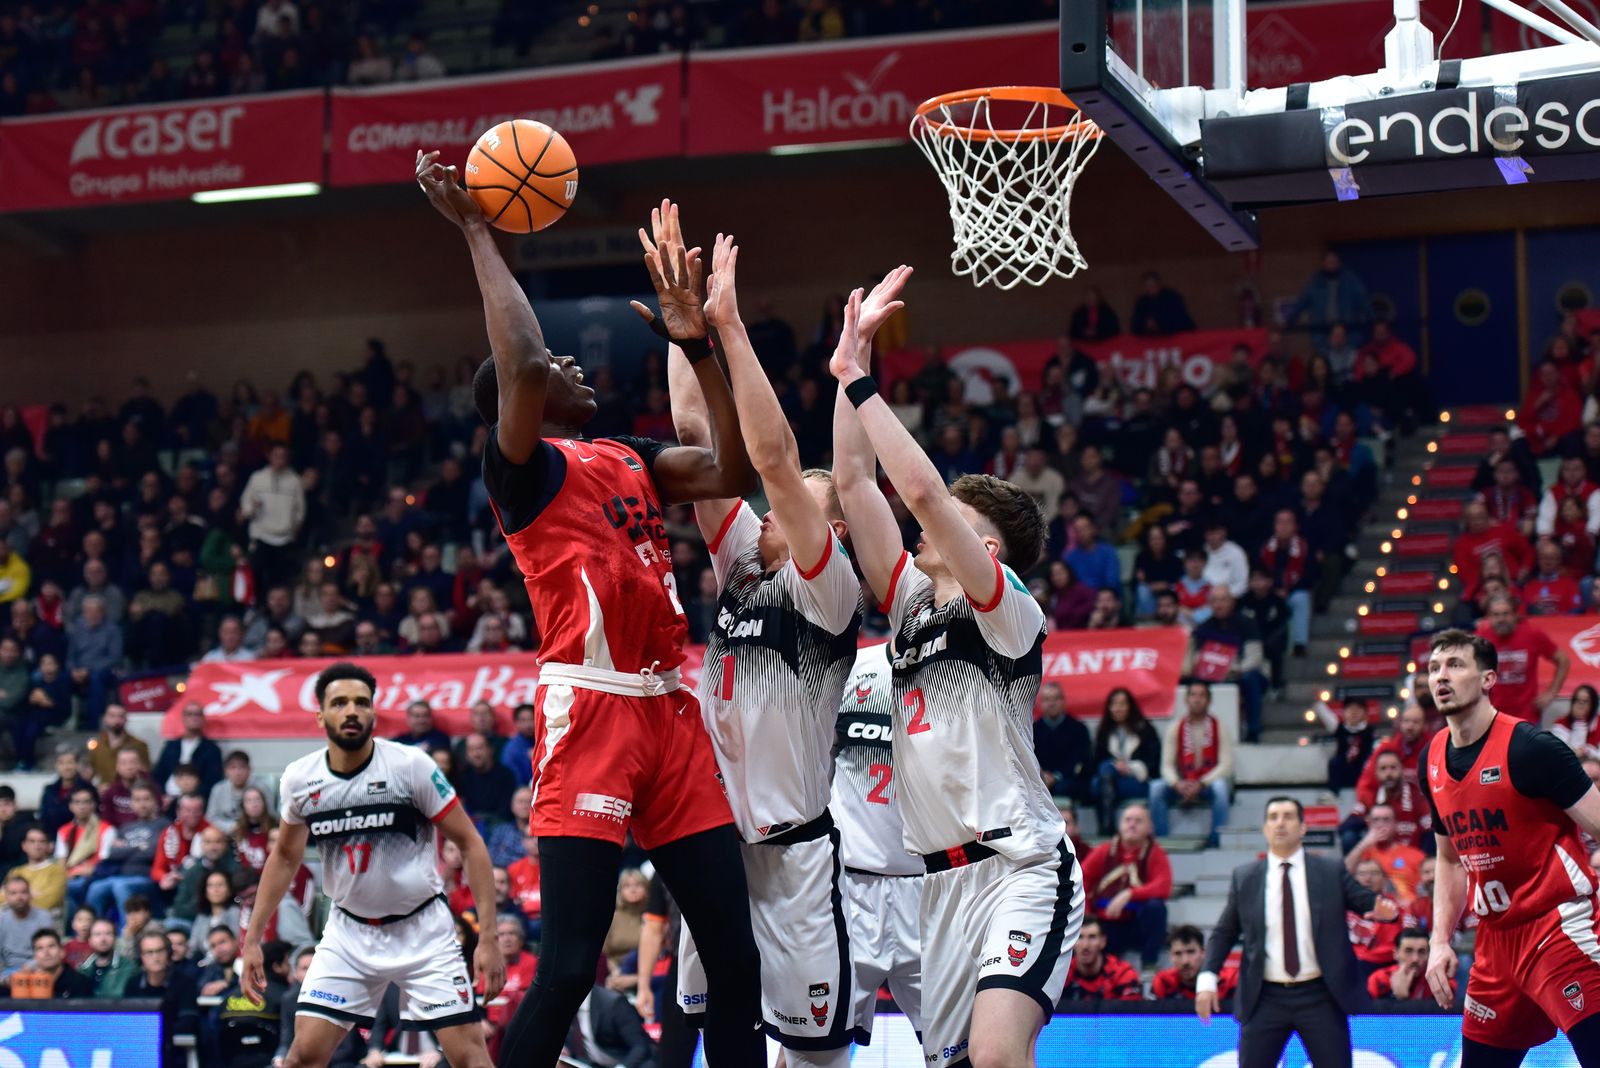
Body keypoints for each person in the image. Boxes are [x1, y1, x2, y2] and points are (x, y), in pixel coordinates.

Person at [415, 165, 768, 1061]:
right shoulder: (524, 473)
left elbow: (732, 469)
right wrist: (478, 232)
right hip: (592, 709)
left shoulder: (627, 456)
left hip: (669, 708)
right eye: (553, 372)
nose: (571, 366)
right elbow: (526, 363)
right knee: (571, 964)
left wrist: (696, 345)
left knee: (736, 957)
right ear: (521, 407)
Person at [830, 269, 1082, 1067]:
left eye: (952, 523)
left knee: (999, 1055)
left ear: (989, 548)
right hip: (935, 886)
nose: (925, 528)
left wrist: (865, 384)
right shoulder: (911, 603)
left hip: (1019, 866)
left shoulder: (1007, 607)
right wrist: (849, 363)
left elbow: (924, 494)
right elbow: (852, 485)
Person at [662, 233, 864, 1063]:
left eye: (796, 507)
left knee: (815, 1056)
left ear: (834, 531)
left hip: (795, 860)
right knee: (712, 1041)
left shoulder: (830, 590)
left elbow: (773, 459)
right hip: (716, 849)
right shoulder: (746, 562)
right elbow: (696, 438)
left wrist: (730, 327)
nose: (771, 512)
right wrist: (684, 336)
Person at [240, 663, 503, 1068]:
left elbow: (470, 843)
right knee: (302, 1057)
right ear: (320, 716)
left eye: (361, 703)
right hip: (349, 933)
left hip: (423, 930)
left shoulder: (410, 766)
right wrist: (252, 939)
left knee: (471, 1059)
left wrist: (489, 938)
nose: (352, 711)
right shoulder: (300, 778)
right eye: (340, 703)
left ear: (374, 714)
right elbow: (286, 857)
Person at [1421, 628, 1600, 1063]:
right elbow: (1450, 860)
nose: (1441, 676)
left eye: (1455, 665)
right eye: (1433, 668)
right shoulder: (1432, 757)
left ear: (1488, 679)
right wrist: (1439, 941)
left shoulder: (1532, 748)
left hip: (1557, 927)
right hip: (1495, 942)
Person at [1197, 797, 1399, 1068]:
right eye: (1273, 817)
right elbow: (1224, 932)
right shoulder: (1245, 877)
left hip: (1320, 995)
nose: (1280, 823)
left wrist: (1384, 909)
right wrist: (1207, 980)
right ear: (1265, 828)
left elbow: (1364, 900)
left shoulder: (1329, 871)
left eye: (1288, 816)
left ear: (1303, 827)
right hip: (1264, 996)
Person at [831, 644, 924, 1045]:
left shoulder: (963, 678)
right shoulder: (852, 670)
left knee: (958, 1048)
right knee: (812, 1048)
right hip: (849, 887)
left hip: (928, 888)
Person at [1079, 802, 1171, 967]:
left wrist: (1129, 894)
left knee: (1156, 908)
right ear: (1120, 825)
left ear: (1149, 828)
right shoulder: (1104, 851)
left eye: (1138, 820)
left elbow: (1163, 886)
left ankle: (1149, 964)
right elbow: (1081, 880)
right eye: (1127, 820)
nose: (1132, 824)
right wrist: (1088, 915)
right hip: (1105, 923)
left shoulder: (1155, 853)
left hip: (1136, 924)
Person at [1150, 681, 1234, 846]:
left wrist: (1202, 783)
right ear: (1186, 700)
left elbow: (1226, 765)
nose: (1197, 700)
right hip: (1182, 783)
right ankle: (1161, 841)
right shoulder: (1175, 727)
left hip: (1207, 784)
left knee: (1221, 788)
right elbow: (1166, 766)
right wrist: (1177, 784)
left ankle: (1216, 840)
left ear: (1209, 701)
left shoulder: (1219, 727)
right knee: (1156, 788)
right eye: (1193, 695)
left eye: (1202, 696)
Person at [1476, 593, 1569, 724]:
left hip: (1527, 718)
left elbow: (1563, 660)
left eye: (1506, 614)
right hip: (1492, 716)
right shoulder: (1481, 636)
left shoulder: (1532, 633)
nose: (1501, 619)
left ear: (1515, 615)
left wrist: (1551, 693)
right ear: (1488, 617)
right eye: (1496, 615)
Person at [127, 929, 200, 1068]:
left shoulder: (185, 983)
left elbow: (188, 1021)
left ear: (168, 953)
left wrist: (151, 1031)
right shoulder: (133, 984)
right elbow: (128, 1024)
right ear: (141, 957)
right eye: (149, 952)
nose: (155, 957)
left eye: (160, 951)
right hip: (140, 1054)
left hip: (175, 1055)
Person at [1093, 687, 1163, 831]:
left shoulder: (1145, 730)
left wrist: (1129, 767)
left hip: (1137, 781)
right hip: (1111, 781)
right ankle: (1108, 825)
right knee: (1100, 776)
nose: (1117, 708)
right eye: (1114, 704)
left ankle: (1107, 828)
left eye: (1122, 704)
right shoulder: (1104, 731)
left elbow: (1153, 764)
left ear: (1130, 706)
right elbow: (1095, 762)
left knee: (1100, 781)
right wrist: (1115, 766)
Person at [564, 984, 657, 1068]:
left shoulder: (613, 1003)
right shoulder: (565, 1005)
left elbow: (640, 1046)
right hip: (591, 1063)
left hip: (627, 1063)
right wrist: (566, 1049)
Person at [1056, 917, 1142, 1002]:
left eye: (1092, 937)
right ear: (1071, 941)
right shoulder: (1061, 974)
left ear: (1103, 941)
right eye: (1080, 937)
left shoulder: (1122, 973)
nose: (1085, 946)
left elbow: (1131, 1009)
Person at [1034, 681, 1093, 802]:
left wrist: (1056, 777)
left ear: (1063, 701)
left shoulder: (1078, 729)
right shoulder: (1032, 730)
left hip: (1067, 781)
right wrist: (1042, 775)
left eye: (1056, 699)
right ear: (1040, 703)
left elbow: (1080, 760)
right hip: (1038, 780)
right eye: (1047, 700)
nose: (1051, 704)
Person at [153, 702, 225, 798]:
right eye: (189, 714)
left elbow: (212, 781)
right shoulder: (171, 746)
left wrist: (194, 797)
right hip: (167, 797)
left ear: (203, 719)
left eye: (197, 714)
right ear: (183, 718)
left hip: (196, 799)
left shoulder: (212, 749)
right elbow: (158, 775)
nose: (194, 718)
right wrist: (161, 796)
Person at [1, 927, 95, 997]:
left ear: (62, 952)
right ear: (35, 956)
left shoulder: (80, 983)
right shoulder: (25, 982)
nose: (46, 952)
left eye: (51, 946)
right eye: (40, 948)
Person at [1153, 924, 1237, 1002]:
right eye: (1178, 953)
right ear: (1170, 956)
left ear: (1203, 953)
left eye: (1191, 952)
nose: (1185, 961)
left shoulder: (1229, 980)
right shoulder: (1163, 982)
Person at [0, 875, 54, 980]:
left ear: (29, 894)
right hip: (8, 972)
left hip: (39, 969)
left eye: (23, 892)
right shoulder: (2, 919)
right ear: (6, 896)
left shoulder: (44, 917)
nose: (19, 897)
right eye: (13, 893)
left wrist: (30, 967)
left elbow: (50, 950)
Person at [1368, 928, 1443, 1003]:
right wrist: (1394, 996)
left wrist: (1404, 999)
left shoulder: (1438, 981)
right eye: (1408, 951)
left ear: (1429, 955)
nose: (1415, 959)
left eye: (1421, 952)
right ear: (1396, 954)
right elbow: (1370, 1010)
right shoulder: (1379, 979)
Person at [7, 824, 65, 919]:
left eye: (42, 841)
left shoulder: (58, 871)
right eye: (32, 841)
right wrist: (32, 894)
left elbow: (49, 901)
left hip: (43, 922)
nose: (37, 846)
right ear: (24, 846)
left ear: (48, 846)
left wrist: (17, 900)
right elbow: (2, 897)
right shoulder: (15, 872)